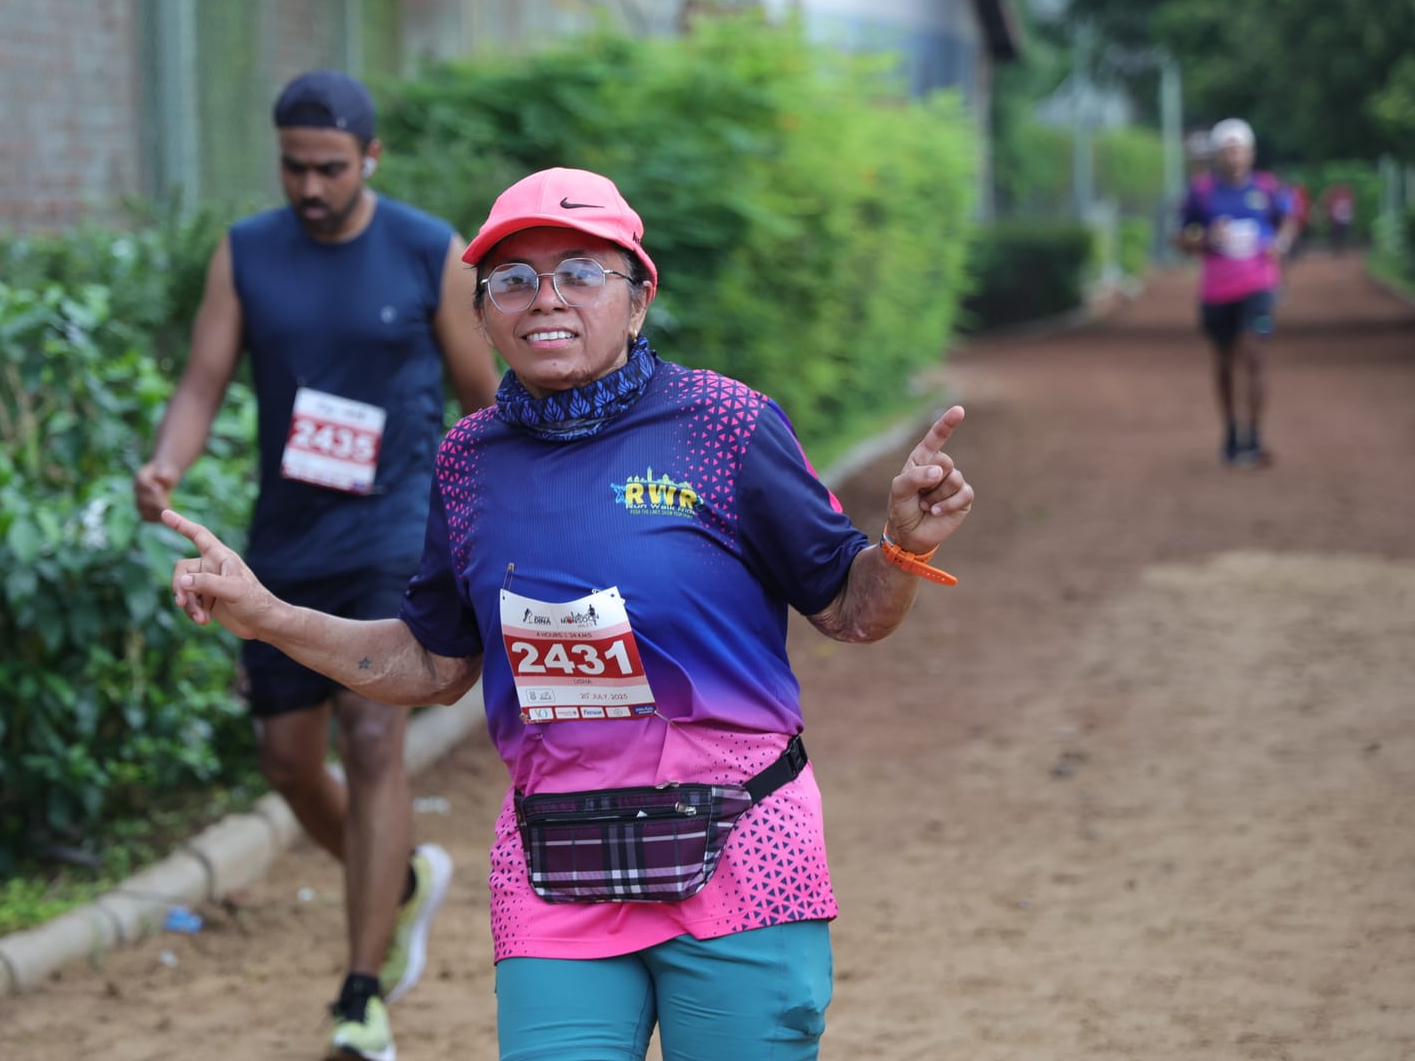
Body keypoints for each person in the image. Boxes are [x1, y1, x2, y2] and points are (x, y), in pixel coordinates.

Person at [159, 166, 977, 1060]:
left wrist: (901, 547)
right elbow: (432, 665)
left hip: (743, 853)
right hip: (560, 868)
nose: (544, 299)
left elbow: (851, 612)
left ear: (637, 296)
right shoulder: (470, 463)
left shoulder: (725, 425)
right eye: (512, 280)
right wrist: (267, 614)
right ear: (482, 312)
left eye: (581, 273)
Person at [134, 71, 501, 1060]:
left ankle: (359, 991)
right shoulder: (248, 253)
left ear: (370, 159)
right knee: (289, 763)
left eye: (330, 167)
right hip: (285, 543)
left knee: (376, 743)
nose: (309, 185)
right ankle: (401, 882)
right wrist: (170, 458)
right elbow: (205, 377)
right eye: (294, 165)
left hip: (395, 535)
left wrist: (486, 527)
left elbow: (483, 398)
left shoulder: (431, 250)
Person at [1176, 118, 1299, 467]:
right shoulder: (1201, 192)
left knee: (1254, 354)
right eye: (1227, 149)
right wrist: (1204, 238)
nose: (1233, 155)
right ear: (1217, 154)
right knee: (1224, 363)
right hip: (1217, 291)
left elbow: (1288, 219)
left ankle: (1255, 436)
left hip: (1258, 286)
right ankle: (1230, 430)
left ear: (1250, 152)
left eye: (1239, 148)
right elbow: (1182, 238)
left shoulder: (1267, 188)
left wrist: (1281, 243)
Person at [1321, 181, 1357, 254]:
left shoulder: (1348, 197)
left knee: (1341, 234)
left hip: (1343, 219)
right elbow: (1328, 204)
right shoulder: (1336, 197)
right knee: (1336, 234)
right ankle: (1337, 248)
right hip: (1337, 218)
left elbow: (1351, 207)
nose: (1342, 191)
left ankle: (1339, 249)